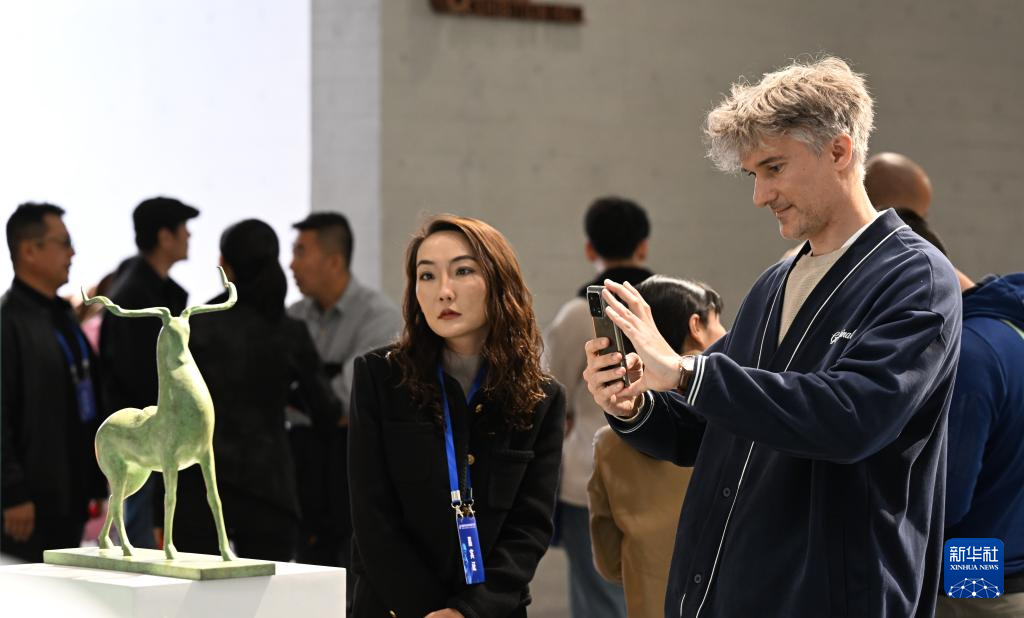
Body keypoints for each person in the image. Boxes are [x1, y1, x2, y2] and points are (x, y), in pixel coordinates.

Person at [583, 56, 962, 617]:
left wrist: (686, 372)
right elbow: (706, 429)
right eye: (753, 175)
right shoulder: (775, 283)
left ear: (839, 151)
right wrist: (635, 403)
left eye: (774, 168)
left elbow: (852, 418)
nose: (761, 195)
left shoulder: (916, 278)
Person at [348, 215, 566, 617]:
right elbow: (371, 515)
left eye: (463, 271)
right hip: (396, 607)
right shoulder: (380, 377)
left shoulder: (539, 397)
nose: (443, 291)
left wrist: (469, 611)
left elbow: (530, 528)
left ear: (499, 281)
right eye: (426, 276)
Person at [169, 219, 341, 561]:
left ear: (225, 266)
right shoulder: (290, 332)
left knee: (196, 594)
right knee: (266, 594)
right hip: (270, 487)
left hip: (200, 484)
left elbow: (171, 412)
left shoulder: (193, 328)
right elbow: (327, 412)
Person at [588, 275, 725, 618]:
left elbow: (608, 560)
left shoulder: (610, 439)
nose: (725, 334)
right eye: (717, 322)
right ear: (696, 325)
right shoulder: (728, 419)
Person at [543, 196, 652, 618]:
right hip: (659, 470)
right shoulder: (668, 304)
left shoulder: (577, 314)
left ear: (590, 249)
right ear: (643, 246)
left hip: (588, 476)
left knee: (597, 602)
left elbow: (548, 390)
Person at [287, 211, 402, 567]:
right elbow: (278, 396)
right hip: (302, 468)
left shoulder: (380, 317)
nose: (291, 265)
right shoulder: (293, 317)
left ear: (334, 261)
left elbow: (347, 402)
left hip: (352, 471)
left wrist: (305, 390)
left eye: (301, 252)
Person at [2, 202, 105, 562]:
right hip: (26, 507)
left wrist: (95, 478)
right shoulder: (8, 321)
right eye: (64, 243)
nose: (72, 253)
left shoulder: (63, 316)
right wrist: (12, 492)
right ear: (29, 250)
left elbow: (86, 396)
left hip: (71, 495)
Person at [99, 196, 199, 549]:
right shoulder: (137, 296)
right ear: (164, 236)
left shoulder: (141, 287)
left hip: (151, 430)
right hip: (143, 435)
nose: (189, 236)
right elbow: (138, 373)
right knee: (137, 536)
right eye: (184, 229)